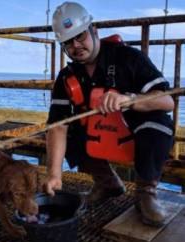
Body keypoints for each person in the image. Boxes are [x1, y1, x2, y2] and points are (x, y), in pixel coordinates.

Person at [44, 1, 174, 227]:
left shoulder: (129, 57)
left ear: (94, 30)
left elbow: (167, 102)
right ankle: (107, 183)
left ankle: (146, 194)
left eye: (80, 36)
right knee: (66, 131)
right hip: (100, 135)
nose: (76, 45)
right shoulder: (66, 77)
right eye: (68, 42)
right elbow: (57, 125)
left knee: (158, 126)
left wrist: (130, 100)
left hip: (133, 134)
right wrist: (54, 175)